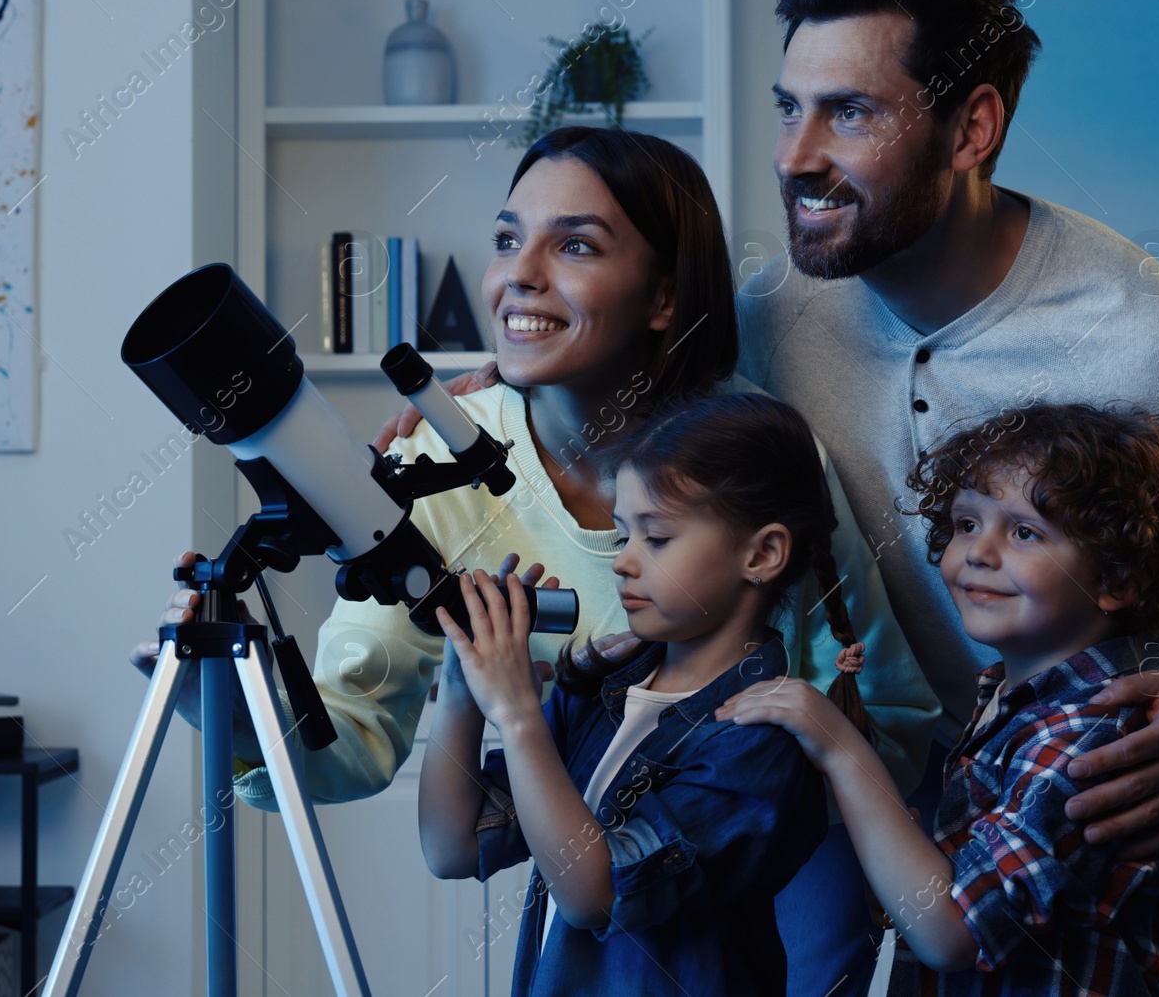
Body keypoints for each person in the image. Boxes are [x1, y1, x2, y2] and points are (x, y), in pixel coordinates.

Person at [382, 0, 1159, 993]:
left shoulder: (1143, 336)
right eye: (787, 107)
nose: (796, 154)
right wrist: (502, 377)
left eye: (849, 112)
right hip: (944, 814)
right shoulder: (774, 313)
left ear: (970, 128)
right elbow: (648, 377)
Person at [134, 126, 941, 993]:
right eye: (509, 239)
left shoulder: (758, 460)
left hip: (773, 878)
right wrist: (232, 711)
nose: (519, 271)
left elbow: (884, 707)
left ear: (664, 295)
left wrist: (707, 834)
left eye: (577, 245)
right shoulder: (434, 468)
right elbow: (360, 737)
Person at [721, 403, 1159, 995]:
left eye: (1025, 532)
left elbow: (952, 933)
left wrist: (838, 746)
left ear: (1116, 581)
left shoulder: (1090, 737)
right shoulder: (1013, 700)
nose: (978, 552)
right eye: (966, 524)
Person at [420, 392, 869, 995]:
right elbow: (453, 846)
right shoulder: (605, 693)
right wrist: (463, 688)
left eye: (655, 538)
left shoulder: (761, 741)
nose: (622, 563)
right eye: (620, 532)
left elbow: (596, 896)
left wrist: (518, 714)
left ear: (762, 554)